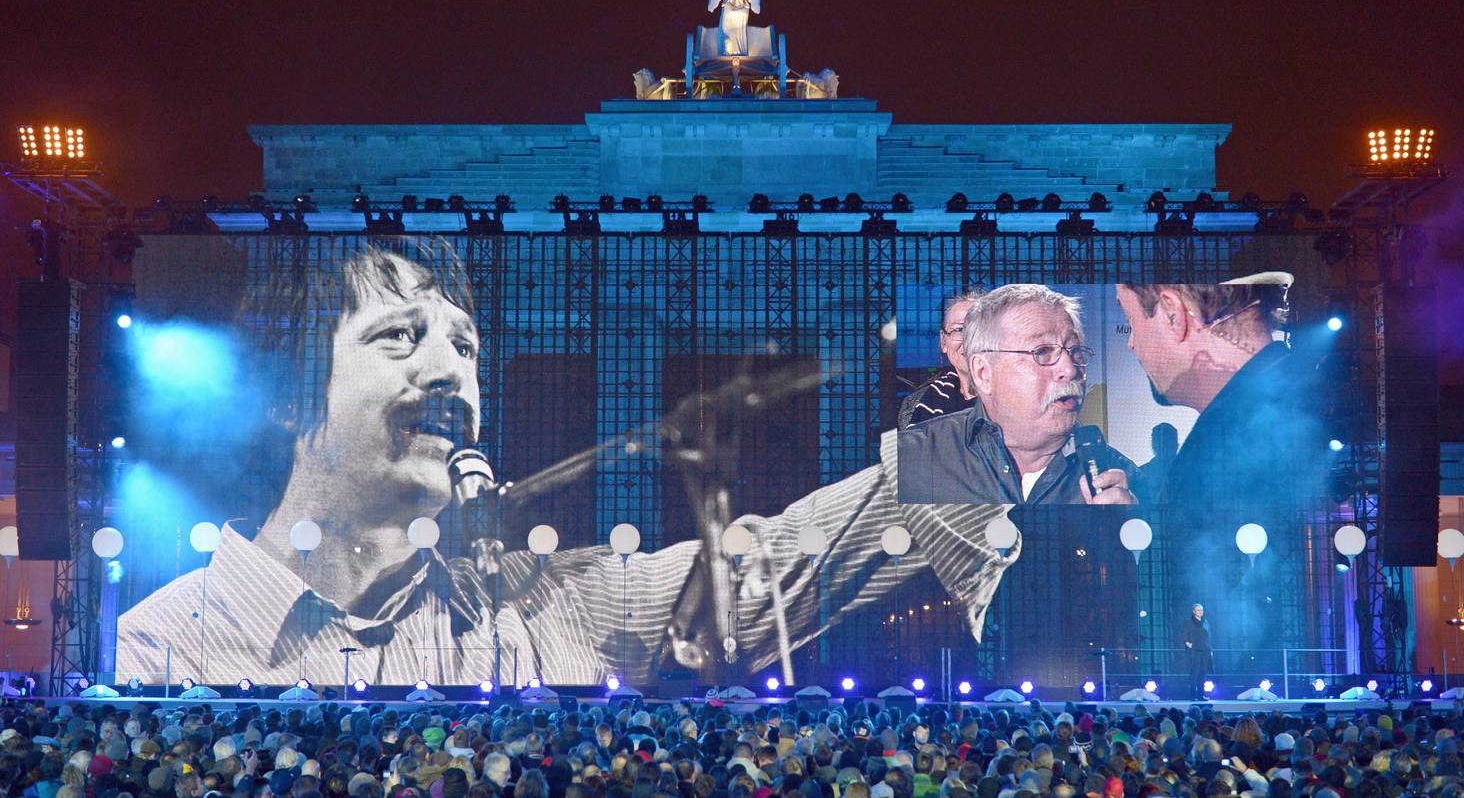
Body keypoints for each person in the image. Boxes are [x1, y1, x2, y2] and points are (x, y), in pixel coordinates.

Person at [117, 238, 1019, 687]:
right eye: (400, 338)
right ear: (285, 391)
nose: (450, 374)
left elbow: (791, 556)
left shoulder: (565, 598)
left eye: (465, 347)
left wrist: (984, 428)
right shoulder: (154, 649)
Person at [898, 284, 1136, 505]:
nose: (1070, 369)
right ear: (983, 373)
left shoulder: (1126, 480)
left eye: (1075, 352)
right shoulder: (909, 459)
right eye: (1042, 351)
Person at [1115, 277, 1327, 507]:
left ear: (1172, 314)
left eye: (1130, 321)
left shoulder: (1210, 462)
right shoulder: (1304, 396)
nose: (1131, 343)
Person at [898, 290, 983, 429]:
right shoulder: (914, 404)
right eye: (959, 330)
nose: (969, 341)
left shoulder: (1018, 400)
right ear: (944, 341)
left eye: (979, 330)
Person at [1181, 603, 1212, 699]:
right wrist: (1187, 643)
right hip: (1194, 650)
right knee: (1194, 673)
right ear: (1194, 611)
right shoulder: (1189, 622)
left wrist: (1210, 648)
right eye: (1198, 610)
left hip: (1205, 650)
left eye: (1201, 610)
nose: (1200, 612)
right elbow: (1185, 633)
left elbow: (1209, 636)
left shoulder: (1205, 622)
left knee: (1203, 673)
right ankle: (1192, 695)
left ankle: (1201, 695)